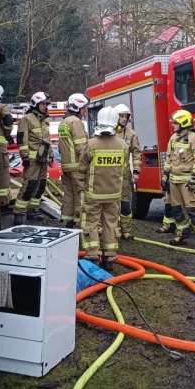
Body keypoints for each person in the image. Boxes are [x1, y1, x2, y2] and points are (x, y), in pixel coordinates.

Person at [78, 106, 128, 272]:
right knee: (111, 224)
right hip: (114, 194)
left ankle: (92, 254)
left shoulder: (91, 144)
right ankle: (109, 258)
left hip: (93, 194)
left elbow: (82, 168)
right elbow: (125, 169)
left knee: (90, 223)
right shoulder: (122, 145)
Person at [163, 110, 195, 250]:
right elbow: (168, 159)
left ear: (183, 123)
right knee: (177, 210)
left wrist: (194, 178)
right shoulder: (173, 138)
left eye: (175, 123)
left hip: (187, 182)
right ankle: (182, 234)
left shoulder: (194, 138)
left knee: (193, 210)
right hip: (174, 181)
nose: (173, 125)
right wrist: (164, 177)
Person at [12, 92, 54, 225]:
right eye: (43, 103)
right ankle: (19, 212)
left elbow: (47, 140)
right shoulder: (27, 119)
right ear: (36, 103)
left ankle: (33, 210)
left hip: (43, 158)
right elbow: (21, 139)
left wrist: (51, 154)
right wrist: (24, 156)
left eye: (46, 104)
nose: (45, 106)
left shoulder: (45, 119)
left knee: (41, 185)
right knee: (29, 185)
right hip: (32, 159)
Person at [58, 94, 90, 228]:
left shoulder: (63, 122)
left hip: (66, 167)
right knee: (80, 195)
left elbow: (60, 148)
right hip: (77, 166)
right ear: (77, 107)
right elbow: (81, 147)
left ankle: (67, 221)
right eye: (83, 108)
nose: (85, 111)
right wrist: (88, 162)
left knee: (68, 195)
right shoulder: (75, 122)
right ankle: (80, 223)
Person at [114, 103, 142, 241]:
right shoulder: (109, 132)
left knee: (125, 204)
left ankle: (126, 231)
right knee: (110, 204)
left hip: (124, 175)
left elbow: (137, 153)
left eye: (126, 116)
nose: (124, 119)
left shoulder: (131, 135)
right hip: (109, 175)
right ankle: (111, 229)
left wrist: (136, 171)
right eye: (121, 116)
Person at [0, 84, 16, 213]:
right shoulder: (0, 107)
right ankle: (3, 202)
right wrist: (7, 133)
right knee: (3, 172)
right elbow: (9, 120)